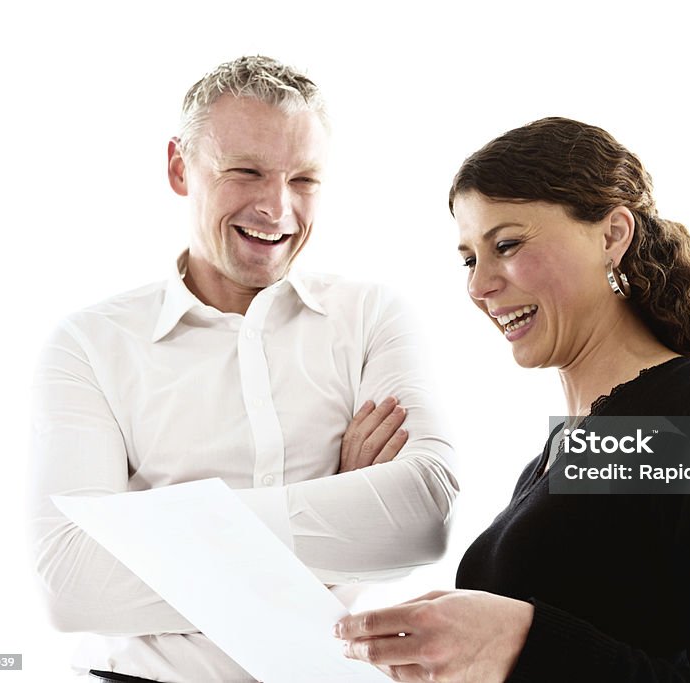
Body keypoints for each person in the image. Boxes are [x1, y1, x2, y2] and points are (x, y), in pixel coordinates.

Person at [336, 117, 690, 682]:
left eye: (508, 245)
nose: (478, 285)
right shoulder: (546, 466)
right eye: (470, 259)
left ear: (613, 235)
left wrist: (519, 642)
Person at [28, 56, 459, 682]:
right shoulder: (90, 344)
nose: (276, 208)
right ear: (180, 167)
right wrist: (342, 509)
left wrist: (158, 535)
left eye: (304, 179)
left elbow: (422, 519)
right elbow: (69, 585)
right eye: (247, 172)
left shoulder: (371, 316)